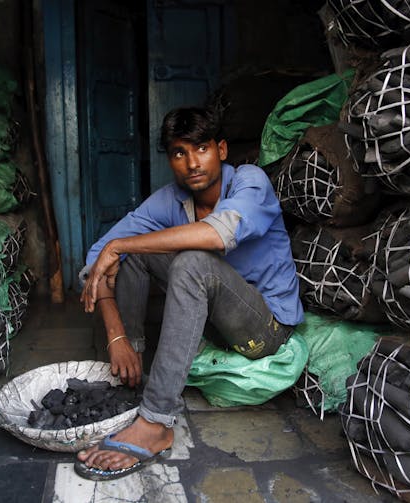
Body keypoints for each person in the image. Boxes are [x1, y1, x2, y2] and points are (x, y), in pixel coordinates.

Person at [75, 106, 303, 481]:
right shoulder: (170, 200)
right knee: (135, 253)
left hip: (264, 329)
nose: (192, 163)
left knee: (190, 261)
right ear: (170, 160)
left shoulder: (250, 182)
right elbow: (100, 252)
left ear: (222, 150)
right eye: (180, 153)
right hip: (214, 321)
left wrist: (119, 246)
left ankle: (156, 422)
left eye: (202, 148)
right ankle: (132, 371)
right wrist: (116, 335)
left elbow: (218, 233)